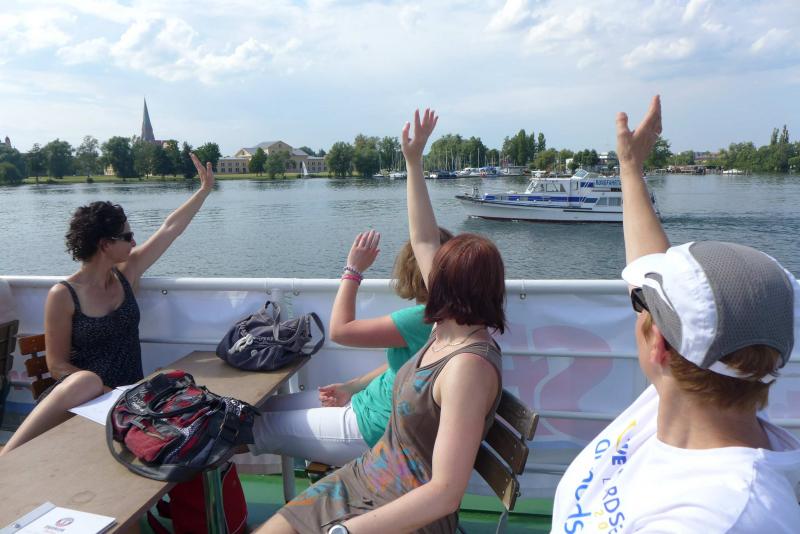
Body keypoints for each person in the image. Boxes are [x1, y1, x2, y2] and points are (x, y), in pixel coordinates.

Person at [551, 96, 800, 532]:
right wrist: (630, 167)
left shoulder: (720, 516)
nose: (637, 301)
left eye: (642, 306)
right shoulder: (691, 398)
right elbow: (655, 274)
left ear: (659, 345)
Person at [258, 109, 506, 534]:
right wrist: (413, 160)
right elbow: (423, 236)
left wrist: (346, 531)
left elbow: (445, 493)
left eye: (438, 273)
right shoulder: (446, 327)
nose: (427, 273)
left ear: (454, 288)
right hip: (371, 476)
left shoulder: (468, 367)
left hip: (401, 506)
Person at [1, 154, 215, 456]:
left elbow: (170, 228)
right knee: (85, 380)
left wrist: (203, 191)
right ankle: (7, 458)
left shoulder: (127, 273)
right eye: (127, 236)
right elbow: (57, 366)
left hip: (130, 401)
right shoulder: (64, 295)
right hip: (86, 400)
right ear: (104, 244)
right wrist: (105, 394)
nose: (134, 242)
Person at [249, 226, 453, 466]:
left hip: (373, 428)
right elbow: (403, 366)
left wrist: (353, 270)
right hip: (366, 405)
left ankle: (212, 480)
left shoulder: (423, 319)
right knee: (260, 409)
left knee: (255, 426)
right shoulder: (450, 318)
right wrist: (352, 387)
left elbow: (340, 331)